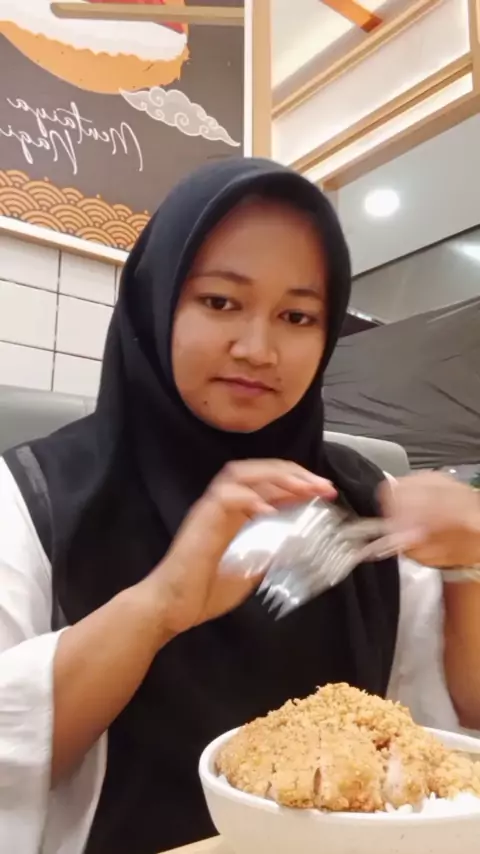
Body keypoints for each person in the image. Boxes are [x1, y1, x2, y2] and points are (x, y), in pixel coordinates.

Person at [0, 158, 479, 854]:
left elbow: (454, 729)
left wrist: (467, 565)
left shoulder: (361, 499)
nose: (257, 349)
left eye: (297, 316)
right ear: (156, 302)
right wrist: (162, 604)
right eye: (220, 302)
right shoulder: (36, 493)